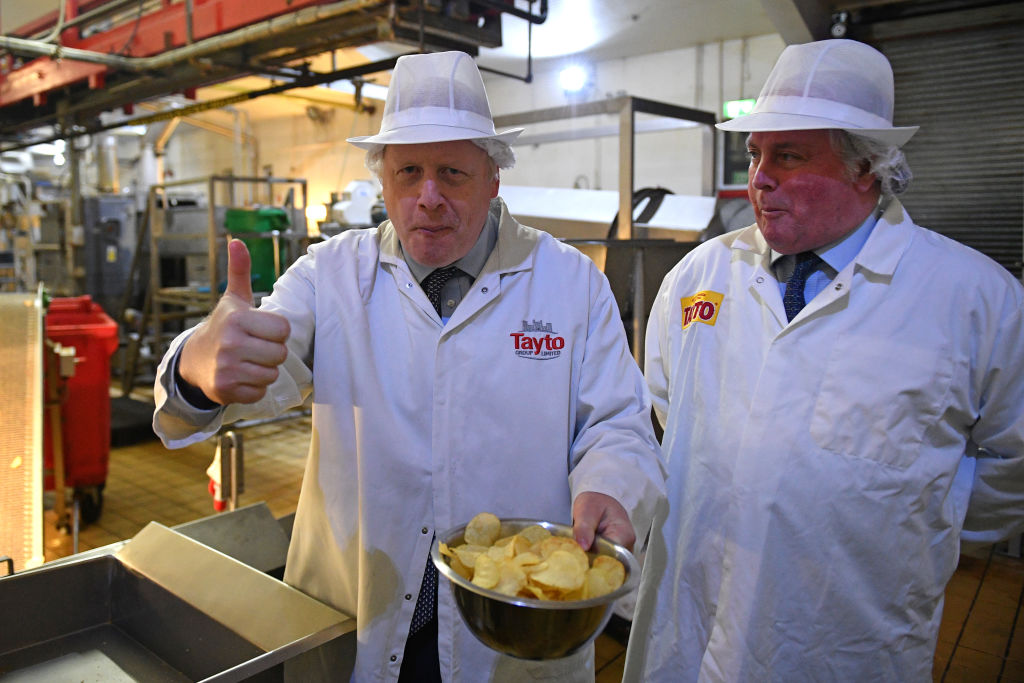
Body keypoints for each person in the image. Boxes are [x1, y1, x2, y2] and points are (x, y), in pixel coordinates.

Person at [153, 50, 666, 682]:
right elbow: (257, 366)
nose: (428, 198)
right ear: (383, 178)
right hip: (357, 614)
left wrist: (610, 487)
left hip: (515, 626)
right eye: (408, 171)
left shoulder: (568, 283)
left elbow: (617, 422)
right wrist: (200, 368)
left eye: (452, 172)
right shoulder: (330, 276)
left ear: (493, 178)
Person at [624, 38, 1024, 681]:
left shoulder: (976, 301)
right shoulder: (703, 272)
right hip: (691, 615)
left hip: (842, 633)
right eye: (755, 154)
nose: (759, 178)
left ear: (865, 166)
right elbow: (667, 405)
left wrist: (918, 522)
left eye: (788, 155)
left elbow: (1011, 465)